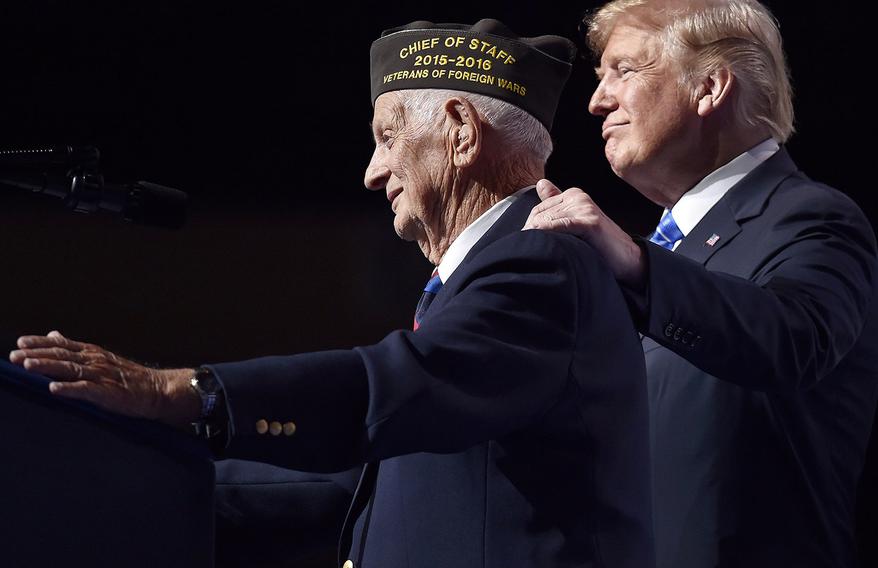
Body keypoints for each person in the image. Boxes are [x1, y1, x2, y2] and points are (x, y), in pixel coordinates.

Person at [10, 19, 655, 568]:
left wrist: (178, 392)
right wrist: (130, 473)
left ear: (459, 130)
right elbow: (366, 480)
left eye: (385, 138)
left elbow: (398, 382)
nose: (372, 174)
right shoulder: (497, 274)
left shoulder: (540, 263)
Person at [523, 1, 878, 567]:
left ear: (710, 87)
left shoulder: (811, 216)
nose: (597, 101)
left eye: (624, 70)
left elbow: (794, 338)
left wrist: (633, 263)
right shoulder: (664, 251)